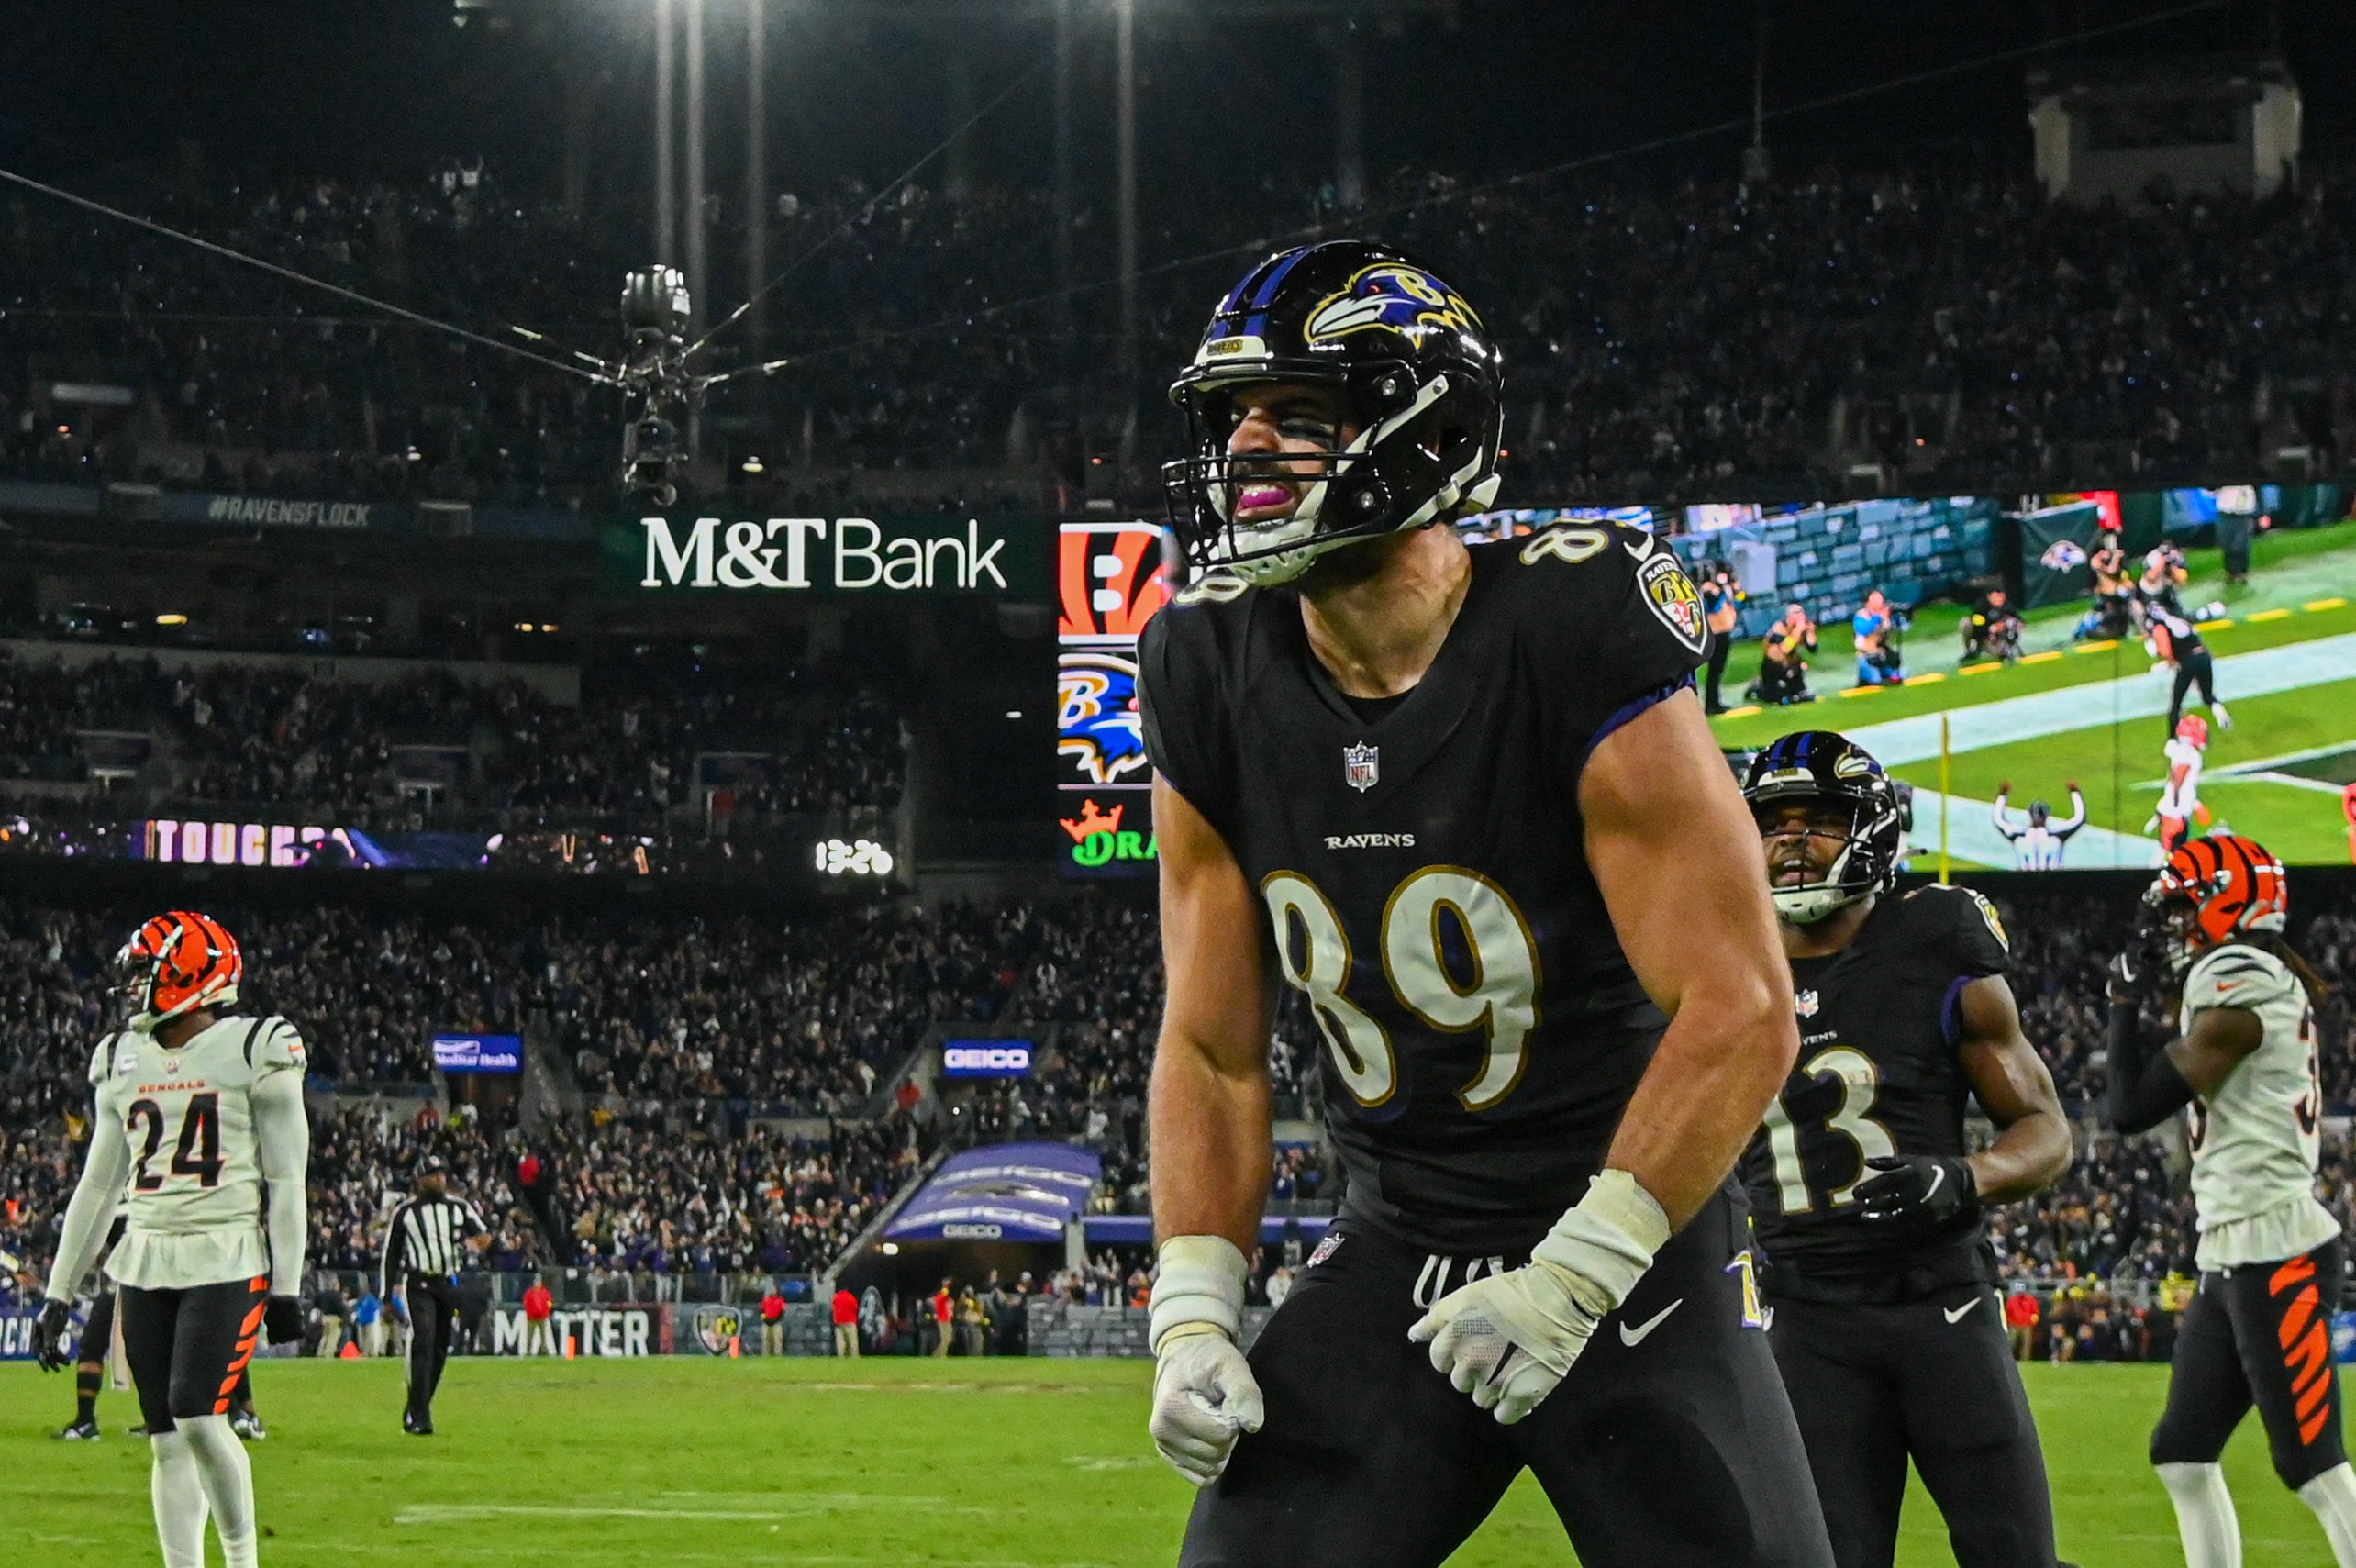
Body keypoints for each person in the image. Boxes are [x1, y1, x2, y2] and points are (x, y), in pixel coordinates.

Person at [1140, 239, 1829, 1566]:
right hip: (1396, 1241)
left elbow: (1743, 1007)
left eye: (1301, 412)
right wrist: (1194, 1308)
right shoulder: (1205, 662)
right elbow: (1214, 1045)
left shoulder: (1571, 630)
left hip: (1633, 1254)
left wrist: (1576, 1273)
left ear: (1423, 422)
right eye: (1236, 415)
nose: (1248, 449)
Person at [1738, 733, 2075, 1568]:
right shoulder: (1723, 959)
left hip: (1940, 1306)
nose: (1791, 841)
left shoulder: (1933, 939)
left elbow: (2047, 1134)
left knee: (2016, 1558)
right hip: (1805, 1319)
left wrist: (1963, 1178)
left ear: (1873, 828)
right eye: (1774, 822)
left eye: (1817, 820)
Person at [2104, 835, 2356, 1568]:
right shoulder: (2250, 973)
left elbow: (2129, 1106)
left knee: (2313, 1464)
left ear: (2228, 905)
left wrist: (2123, 1005)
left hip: (2277, 1249)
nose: (2173, 925)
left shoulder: (2236, 974)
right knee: (2181, 1452)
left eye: (2185, 906)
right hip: (2234, 1246)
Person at [29, 911, 309, 1568]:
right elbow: (98, 1188)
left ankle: (242, 1560)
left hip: (225, 1251)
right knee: (164, 1437)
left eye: (143, 975)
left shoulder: (254, 1047)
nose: (131, 989)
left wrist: (289, 1286)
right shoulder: (123, 1059)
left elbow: (286, 1176)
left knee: (198, 1412)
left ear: (189, 976)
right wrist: (57, 1293)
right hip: (146, 1255)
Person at [381, 1155, 491, 1435]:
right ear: (420, 1180)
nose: (440, 1178)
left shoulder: (458, 1207)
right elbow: (391, 1256)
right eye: (433, 1174)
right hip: (419, 1283)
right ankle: (421, 1416)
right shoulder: (405, 1212)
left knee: (441, 1347)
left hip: (447, 1283)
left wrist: (472, 1244)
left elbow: (484, 1236)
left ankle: (417, 1407)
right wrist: (385, 1296)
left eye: (442, 1173)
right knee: (424, 1340)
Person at [52, 1200, 128, 1440]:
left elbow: (92, 1245)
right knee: (160, 1354)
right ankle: (165, 1421)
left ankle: (85, 1421)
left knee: (92, 1345)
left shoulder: (113, 1203)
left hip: (126, 1279)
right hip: (163, 1279)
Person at [2149, 606, 2231, 737]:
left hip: (2188, 663)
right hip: (2204, 657)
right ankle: (2219, 711)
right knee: (2207, 695)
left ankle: (2172, 739)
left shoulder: (2164, 628)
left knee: (2176, 704)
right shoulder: (2182, 622)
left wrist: (2164, 664)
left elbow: (2168, 653)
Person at [2150, 716, 2215, 858]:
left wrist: (2196, 804)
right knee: (2175, 856)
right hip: (2175, 813)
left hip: (2171, 809)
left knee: (2167, 853)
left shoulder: (2178, 749)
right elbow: (2177, 780)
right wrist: (2175, 812)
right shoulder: (2191, 755)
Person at [1992, 781, 2088, 871]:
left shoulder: (2017, 834)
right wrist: (2075, 793)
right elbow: (2079, 819)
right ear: (2046, 816)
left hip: (2025, 883)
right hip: (2053, 884)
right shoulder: (2056, 835)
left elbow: (1998, 820)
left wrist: (2002, 795)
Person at [1751, 602, 1819, 705]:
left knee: (1800, 694)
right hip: (1774, 667)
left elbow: (1812, 649)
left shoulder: (1801, 629)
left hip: (1791, 664)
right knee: (1780, 698)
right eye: (1796, 614)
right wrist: (1798, 630)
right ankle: (1758, 688)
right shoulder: (1778, 629)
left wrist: (1810, 633)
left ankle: (1798, 687)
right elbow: (1784, 649)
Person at [1701, 561, 1743, 713]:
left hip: (1725, 633)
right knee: (1714, 670)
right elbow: (1714, 607)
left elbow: (1740, 603)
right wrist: (1723, 591)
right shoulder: (1709, 589)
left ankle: (1715, 701)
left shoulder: (1725, 589)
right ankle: (1711, 704)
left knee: (1718, 671)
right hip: (1716, 634)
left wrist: (1737, 592)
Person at [1850, 590, 1902, 686]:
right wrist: (1878, 617)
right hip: (1867, 655)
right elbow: (1864, 629)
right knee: (1875, 679)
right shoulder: (1861, 616)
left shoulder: (1886, 615)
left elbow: (1902, 626)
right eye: (1875, 600)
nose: (1878, 603)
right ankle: (1864, 679)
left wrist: (1894, 618)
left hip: (1883, 653)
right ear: (1867, 603)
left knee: (1900, 675)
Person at [1961, 587, 2023, 663]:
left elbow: (2020, 621)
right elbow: (1977, 629)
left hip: (1998, 637)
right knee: (1966, 622)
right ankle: (1970, 650)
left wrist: (2006, 625)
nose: (2000, 600)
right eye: (1997, 597)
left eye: (2002, 597)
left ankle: (2010, 648)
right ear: (1990, 596)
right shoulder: (1981, 607)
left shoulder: (2007, 605)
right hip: (1984, 636)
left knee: (2000, 655)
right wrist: (1991, 628)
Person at [312, 1273, 348, 1360]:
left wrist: (320, 1308)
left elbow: (315, 1301)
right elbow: (341, 1308)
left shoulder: (323, 1293)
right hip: (334, 1318)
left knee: (325, 1336)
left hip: (325, 1317)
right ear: (336, 1285)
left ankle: (320, 1352)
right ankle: (328, 1353)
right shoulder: (337, 1295)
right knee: (333, 1336)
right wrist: (343, 1319)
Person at [521, 1276, 556, 1357]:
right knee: (530, 1335)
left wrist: (546, 1311)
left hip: (541, 1317)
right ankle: (528, 1351)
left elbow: (549, 1302)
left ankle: (543, 1350)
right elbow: (526, 1303)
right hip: (532, 1317)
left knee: (543, 1335)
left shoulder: (544, 1292)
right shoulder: (530, 1293)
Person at [2005, 1287, 2040, 1362]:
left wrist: (2031, 1322)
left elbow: (2036, 1313)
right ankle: (2008, 1359)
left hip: (2027, 1325)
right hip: (2014, 1325)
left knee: (2026, 1344)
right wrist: (2010, 1323)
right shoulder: (2011, 1300)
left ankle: (2025, 1360)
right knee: (2011, 1343)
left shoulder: (2031, 1300)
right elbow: (2008, 1313)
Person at [355, 1284, 383, 1358]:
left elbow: (356, 1308)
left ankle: (365, 1352)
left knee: (363, 1338)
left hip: (362, 1320)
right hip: (369, 1320)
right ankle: (367, 1352)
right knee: (369, 1337)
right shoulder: (370, 1298)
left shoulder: (360, 1299)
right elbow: (376, 1307)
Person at [930, 1280, 953, 1358]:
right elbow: (943, 1297)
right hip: (943, 1320)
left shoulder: (942, 1298)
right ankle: (942, 1355)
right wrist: (946, 1286)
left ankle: (936, 1354)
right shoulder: (939, 1298)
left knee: (949, 1339)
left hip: (947, 1319)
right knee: (945, 1339)